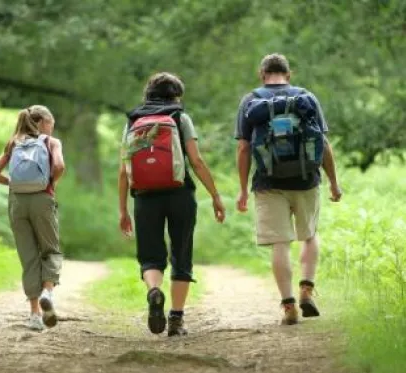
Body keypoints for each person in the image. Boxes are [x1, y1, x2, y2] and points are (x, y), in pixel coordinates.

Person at [235, 54, 342, 325]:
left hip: (268, 183)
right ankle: (306, 289)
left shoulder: (251, 101)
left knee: (280, 244)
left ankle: (288, 306)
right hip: (306, 180)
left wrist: (243, 190)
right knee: (309, 235)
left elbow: (244, 147)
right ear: (288, 74)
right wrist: (333, 182)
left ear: (262, 74)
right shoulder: (306, 97)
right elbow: (323, 142)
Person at [118, 72, 226, 336]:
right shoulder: (180, 118)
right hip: (180, 194)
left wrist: (123, 210)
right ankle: (176, 319)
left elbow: (123, 170)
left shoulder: (134, 121)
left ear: (148, 93)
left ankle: (154, 291)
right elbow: (196, 161)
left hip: (144, 197)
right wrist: (215, 195)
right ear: (176, 95)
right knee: (181, 253)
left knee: (150, 256)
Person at [0, 105, 65, 331]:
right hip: (42, 199)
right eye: (51, 124)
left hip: (17, 203)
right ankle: (48, 293)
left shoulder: (14, 142)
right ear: (42, 123)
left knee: (28, 256)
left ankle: (34, 315)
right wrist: (50, 183)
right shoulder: (51, 142)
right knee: (50, 250)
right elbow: (60, 165)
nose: (52, 129)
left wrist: (13, 183)